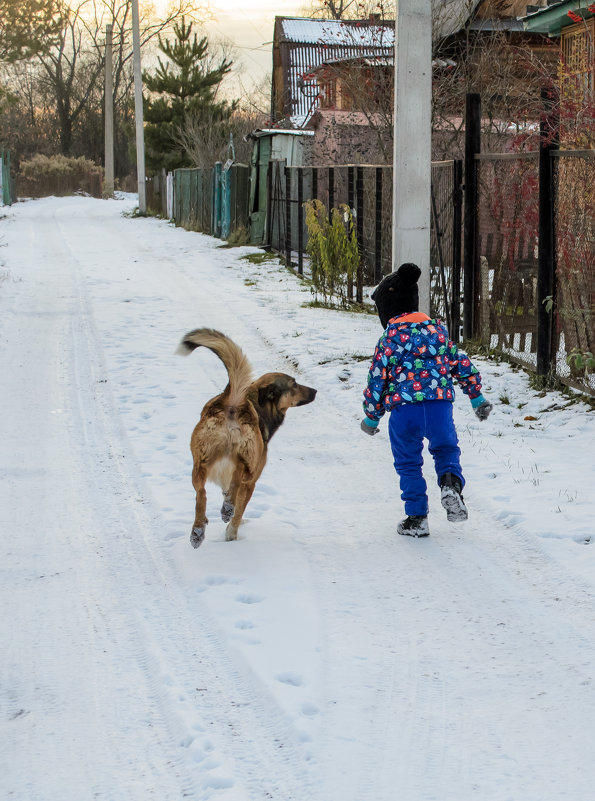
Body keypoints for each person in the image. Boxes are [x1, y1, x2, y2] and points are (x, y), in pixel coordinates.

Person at [361, 263, 493, 538]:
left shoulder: (389, 338)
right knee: (446, 450)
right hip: (439, 408)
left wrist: (372, 416)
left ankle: (417, 517)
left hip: (404, 411)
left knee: (408, 462)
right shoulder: (438, 332)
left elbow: (377, 379)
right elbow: (461, 363)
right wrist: (476, 396)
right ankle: (450, 485)